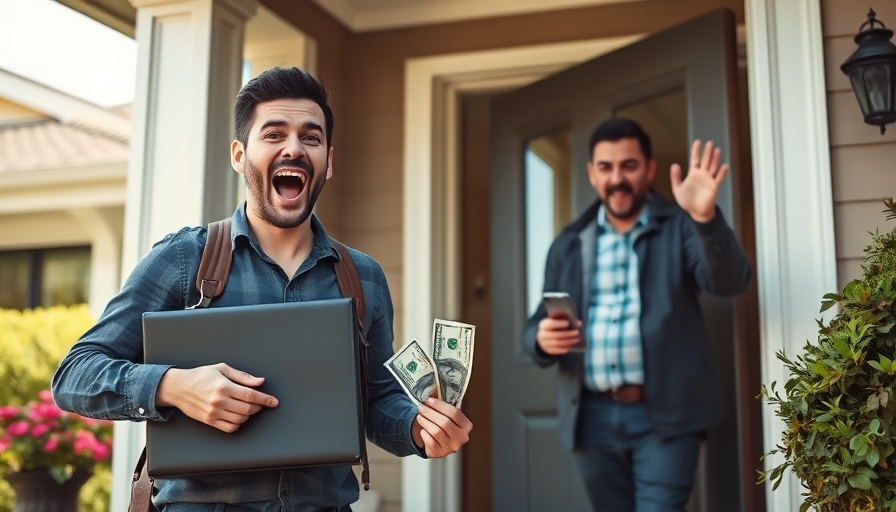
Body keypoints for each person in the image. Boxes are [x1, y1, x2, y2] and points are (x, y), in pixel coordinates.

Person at [51, 66, 472, 512]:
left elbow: (377, 400)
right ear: (239, 154)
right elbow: (75, 375)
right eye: (274, 134)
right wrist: (172, 385)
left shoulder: (363, 277)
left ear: (329, 161)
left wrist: (420, 428)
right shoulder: (181, 260)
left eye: (311, 138)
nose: (294, 147)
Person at [522, 118, 751, 511]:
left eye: (628, 166)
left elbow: (730, 282)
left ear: (649, 168)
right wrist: (542, 339)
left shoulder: (681, 225)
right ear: (592, 174)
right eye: (606, 168)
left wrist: (704, 218)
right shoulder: (568, 243)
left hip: (666, 418)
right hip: (590, 418)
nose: (617, 179)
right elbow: (533, 328)